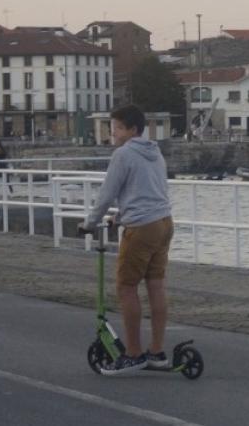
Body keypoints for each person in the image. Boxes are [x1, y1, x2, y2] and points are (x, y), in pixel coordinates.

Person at [78, 105, 175, 375]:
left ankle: (133, 353)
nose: (114, 133)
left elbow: (107, 193)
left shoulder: (123, 154)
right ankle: (156, 352)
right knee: (155, 284)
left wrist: (90, 223)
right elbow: (147, 189)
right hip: (164, 222)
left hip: (142, 227)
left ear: (132, 129)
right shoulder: (155, 152)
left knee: (126, 287)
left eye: (118, 127)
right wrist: (120, 216)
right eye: (113, 128)